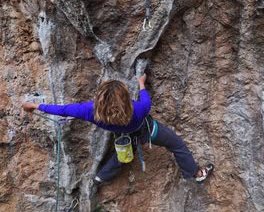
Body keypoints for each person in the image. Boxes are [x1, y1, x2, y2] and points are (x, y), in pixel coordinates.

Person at [22, 74, 214, 184]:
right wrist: (141, 84)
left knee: (122, 155)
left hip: (124, 137)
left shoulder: (90, 111)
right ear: (124, 97)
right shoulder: (138, 108)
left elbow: (62, 110)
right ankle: (195, 174)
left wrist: (36, 106)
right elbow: (146, 99)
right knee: (177, 144)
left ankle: (100, 178)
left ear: (100, 98)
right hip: (147, 130)